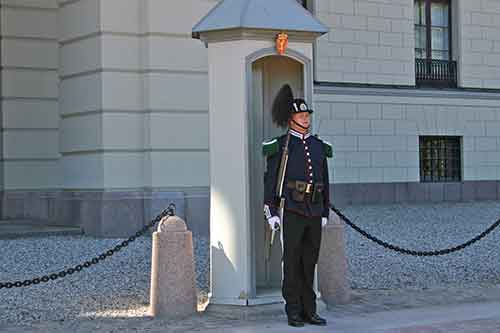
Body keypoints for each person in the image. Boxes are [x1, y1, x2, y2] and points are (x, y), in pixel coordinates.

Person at [263, 84, 332, 327]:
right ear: (292, 119)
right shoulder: (280, 146)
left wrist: (325, 210)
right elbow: (271, 179)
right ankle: (293, 310)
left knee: (309, 262)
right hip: (291, 209)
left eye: (307, 115)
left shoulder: (317, 145)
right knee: (291, 263)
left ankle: (309, 310)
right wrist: (270, 210)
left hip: (313, 210)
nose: (307, 119)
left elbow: (324, 180)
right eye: (302, 116)